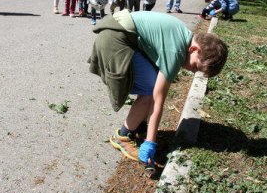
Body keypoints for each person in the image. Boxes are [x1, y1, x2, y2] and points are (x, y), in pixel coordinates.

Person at [88, 9, 228, 164]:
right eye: (195, 67)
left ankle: (138, 126)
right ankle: (122, 136)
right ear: (194, 49)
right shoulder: (175, 51)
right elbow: (157, 100)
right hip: (114, 40)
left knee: (151, 81)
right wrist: (150, 142)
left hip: (118, 34)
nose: (192, 71)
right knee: (150, 92)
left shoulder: (184, 37)